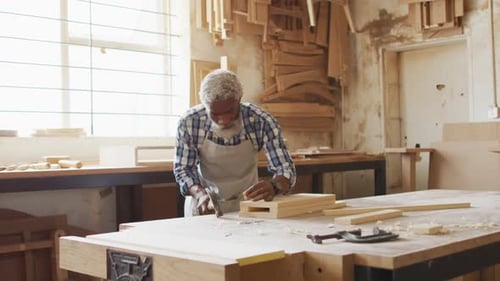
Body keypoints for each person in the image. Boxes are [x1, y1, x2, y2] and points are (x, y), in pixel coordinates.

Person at [174, 69, 296, 216]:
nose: (223, 120)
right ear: (206, 106)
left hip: (249, 206)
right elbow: (183, 169)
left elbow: (285, 168)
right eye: (215, 114)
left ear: (239, 100)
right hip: (205, 206)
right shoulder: (190, 122)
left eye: (229, 111)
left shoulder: (261, 121)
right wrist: (199, 194)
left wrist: (274, 186)